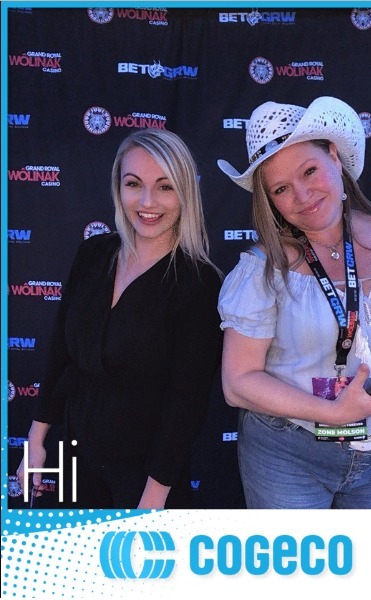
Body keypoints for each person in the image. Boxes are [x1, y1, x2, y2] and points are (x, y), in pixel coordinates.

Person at [217, 96, 371, 509]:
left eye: (309, 171)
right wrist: (335, 414)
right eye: (281, 189)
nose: (302, 195)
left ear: (335, 158)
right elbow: (237, 382)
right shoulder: (262, 269)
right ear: (270, 201)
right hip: (288, 457)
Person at [17, 128, 223, 509]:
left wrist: (152, 501)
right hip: (74, 459)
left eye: (164, 186)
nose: (147, 201)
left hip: (146, 479)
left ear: (185, 193)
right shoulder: (94, 254)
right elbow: (60, 353)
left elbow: (186, 404)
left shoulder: (199, 283)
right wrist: (36, 437)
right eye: (134, 184)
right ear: (118, 187)